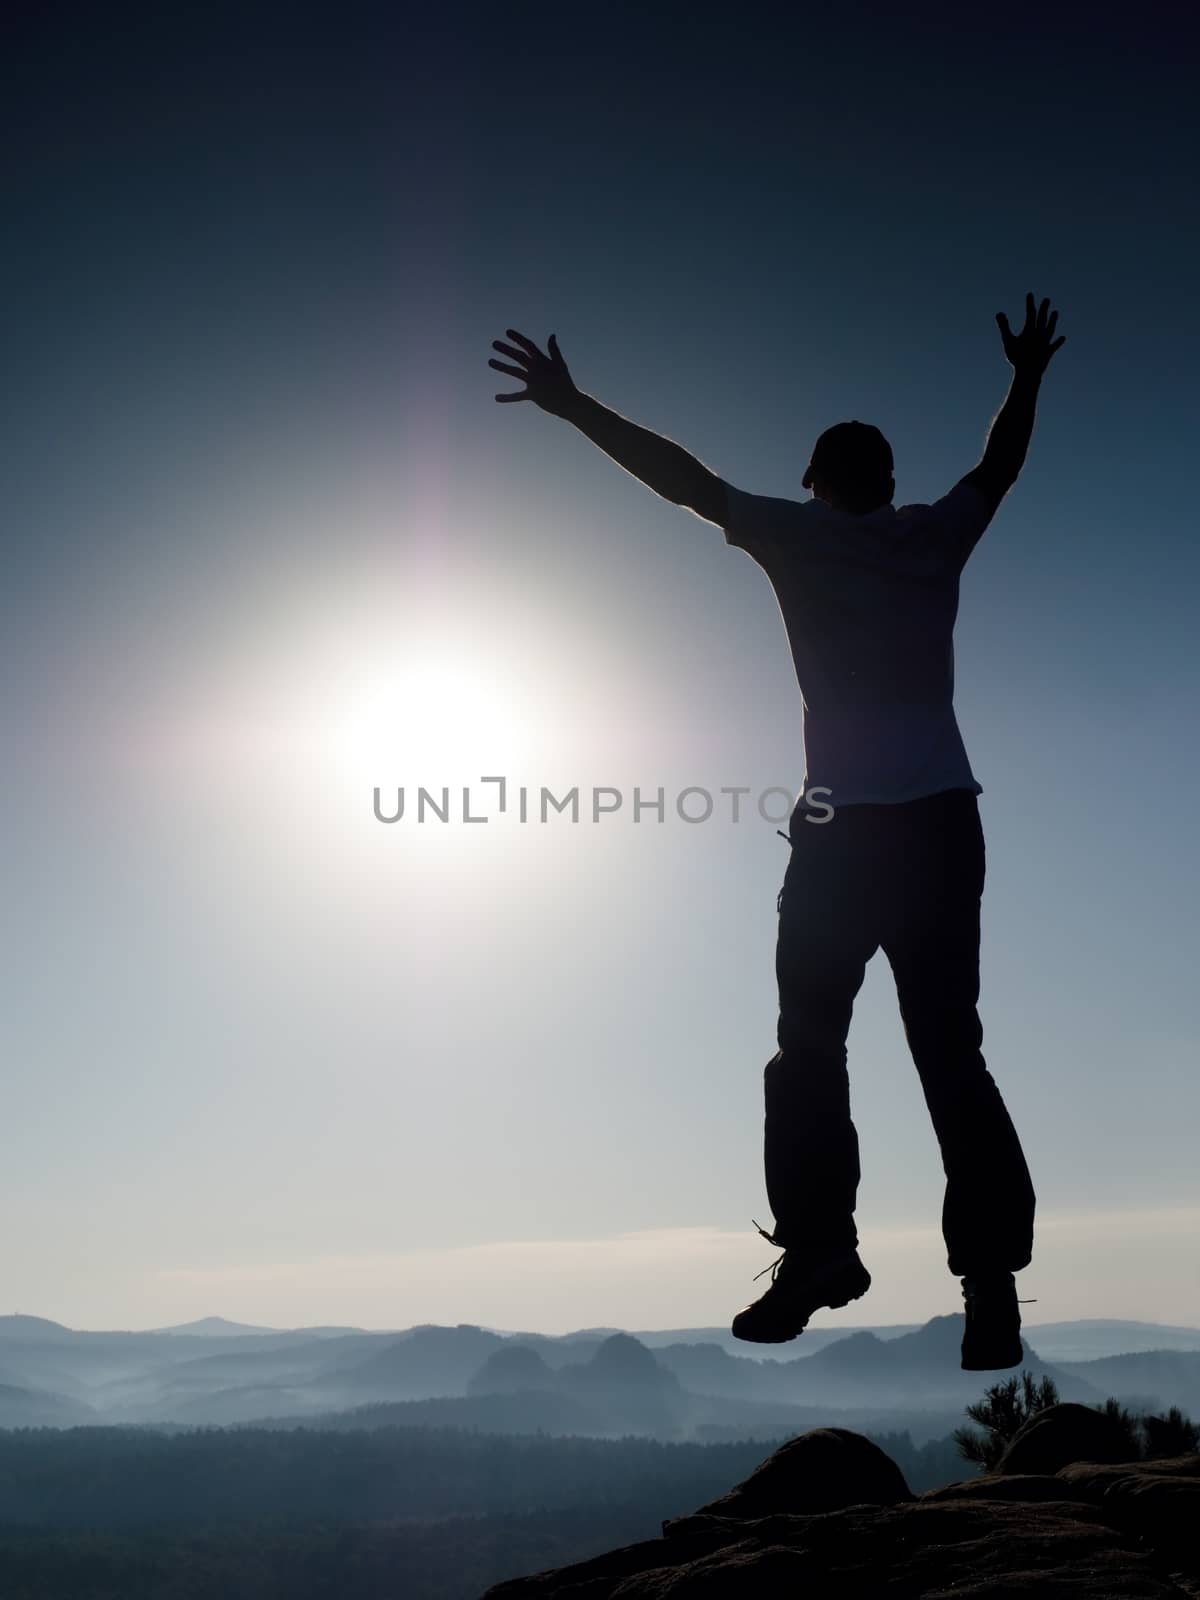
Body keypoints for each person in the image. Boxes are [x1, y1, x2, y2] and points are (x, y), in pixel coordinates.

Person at [489, 294, 1063, 1370]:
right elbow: (1002, 464)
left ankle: (819, 1255)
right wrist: (1026, 374)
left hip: (844, 834)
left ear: (814, 483)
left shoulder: (793, 536)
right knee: (950, 1055)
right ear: (886, 483)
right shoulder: (934, 536)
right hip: (939, 827)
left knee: (809, 1048)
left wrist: (572, 409)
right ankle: (987, 1289)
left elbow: (682, 479)